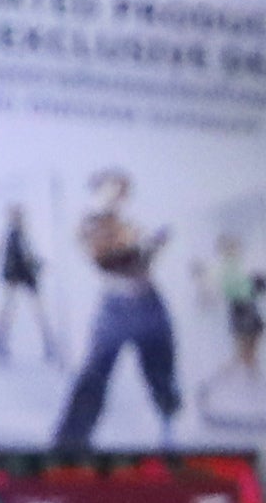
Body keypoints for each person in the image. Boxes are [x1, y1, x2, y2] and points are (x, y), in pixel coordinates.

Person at [52, 169, 184, 449]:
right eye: (114, 189)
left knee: (161, 369)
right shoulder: (89, 225)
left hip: (149, 302)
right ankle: (70, 443)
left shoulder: (124, 224)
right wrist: (143, 247)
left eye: (123, 191)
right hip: (117, 307)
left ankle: (170, 430)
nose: (120, 196)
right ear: (99, 190)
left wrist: (150, 248)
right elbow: (108, 261)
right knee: (95, 373)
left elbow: (140, 263)